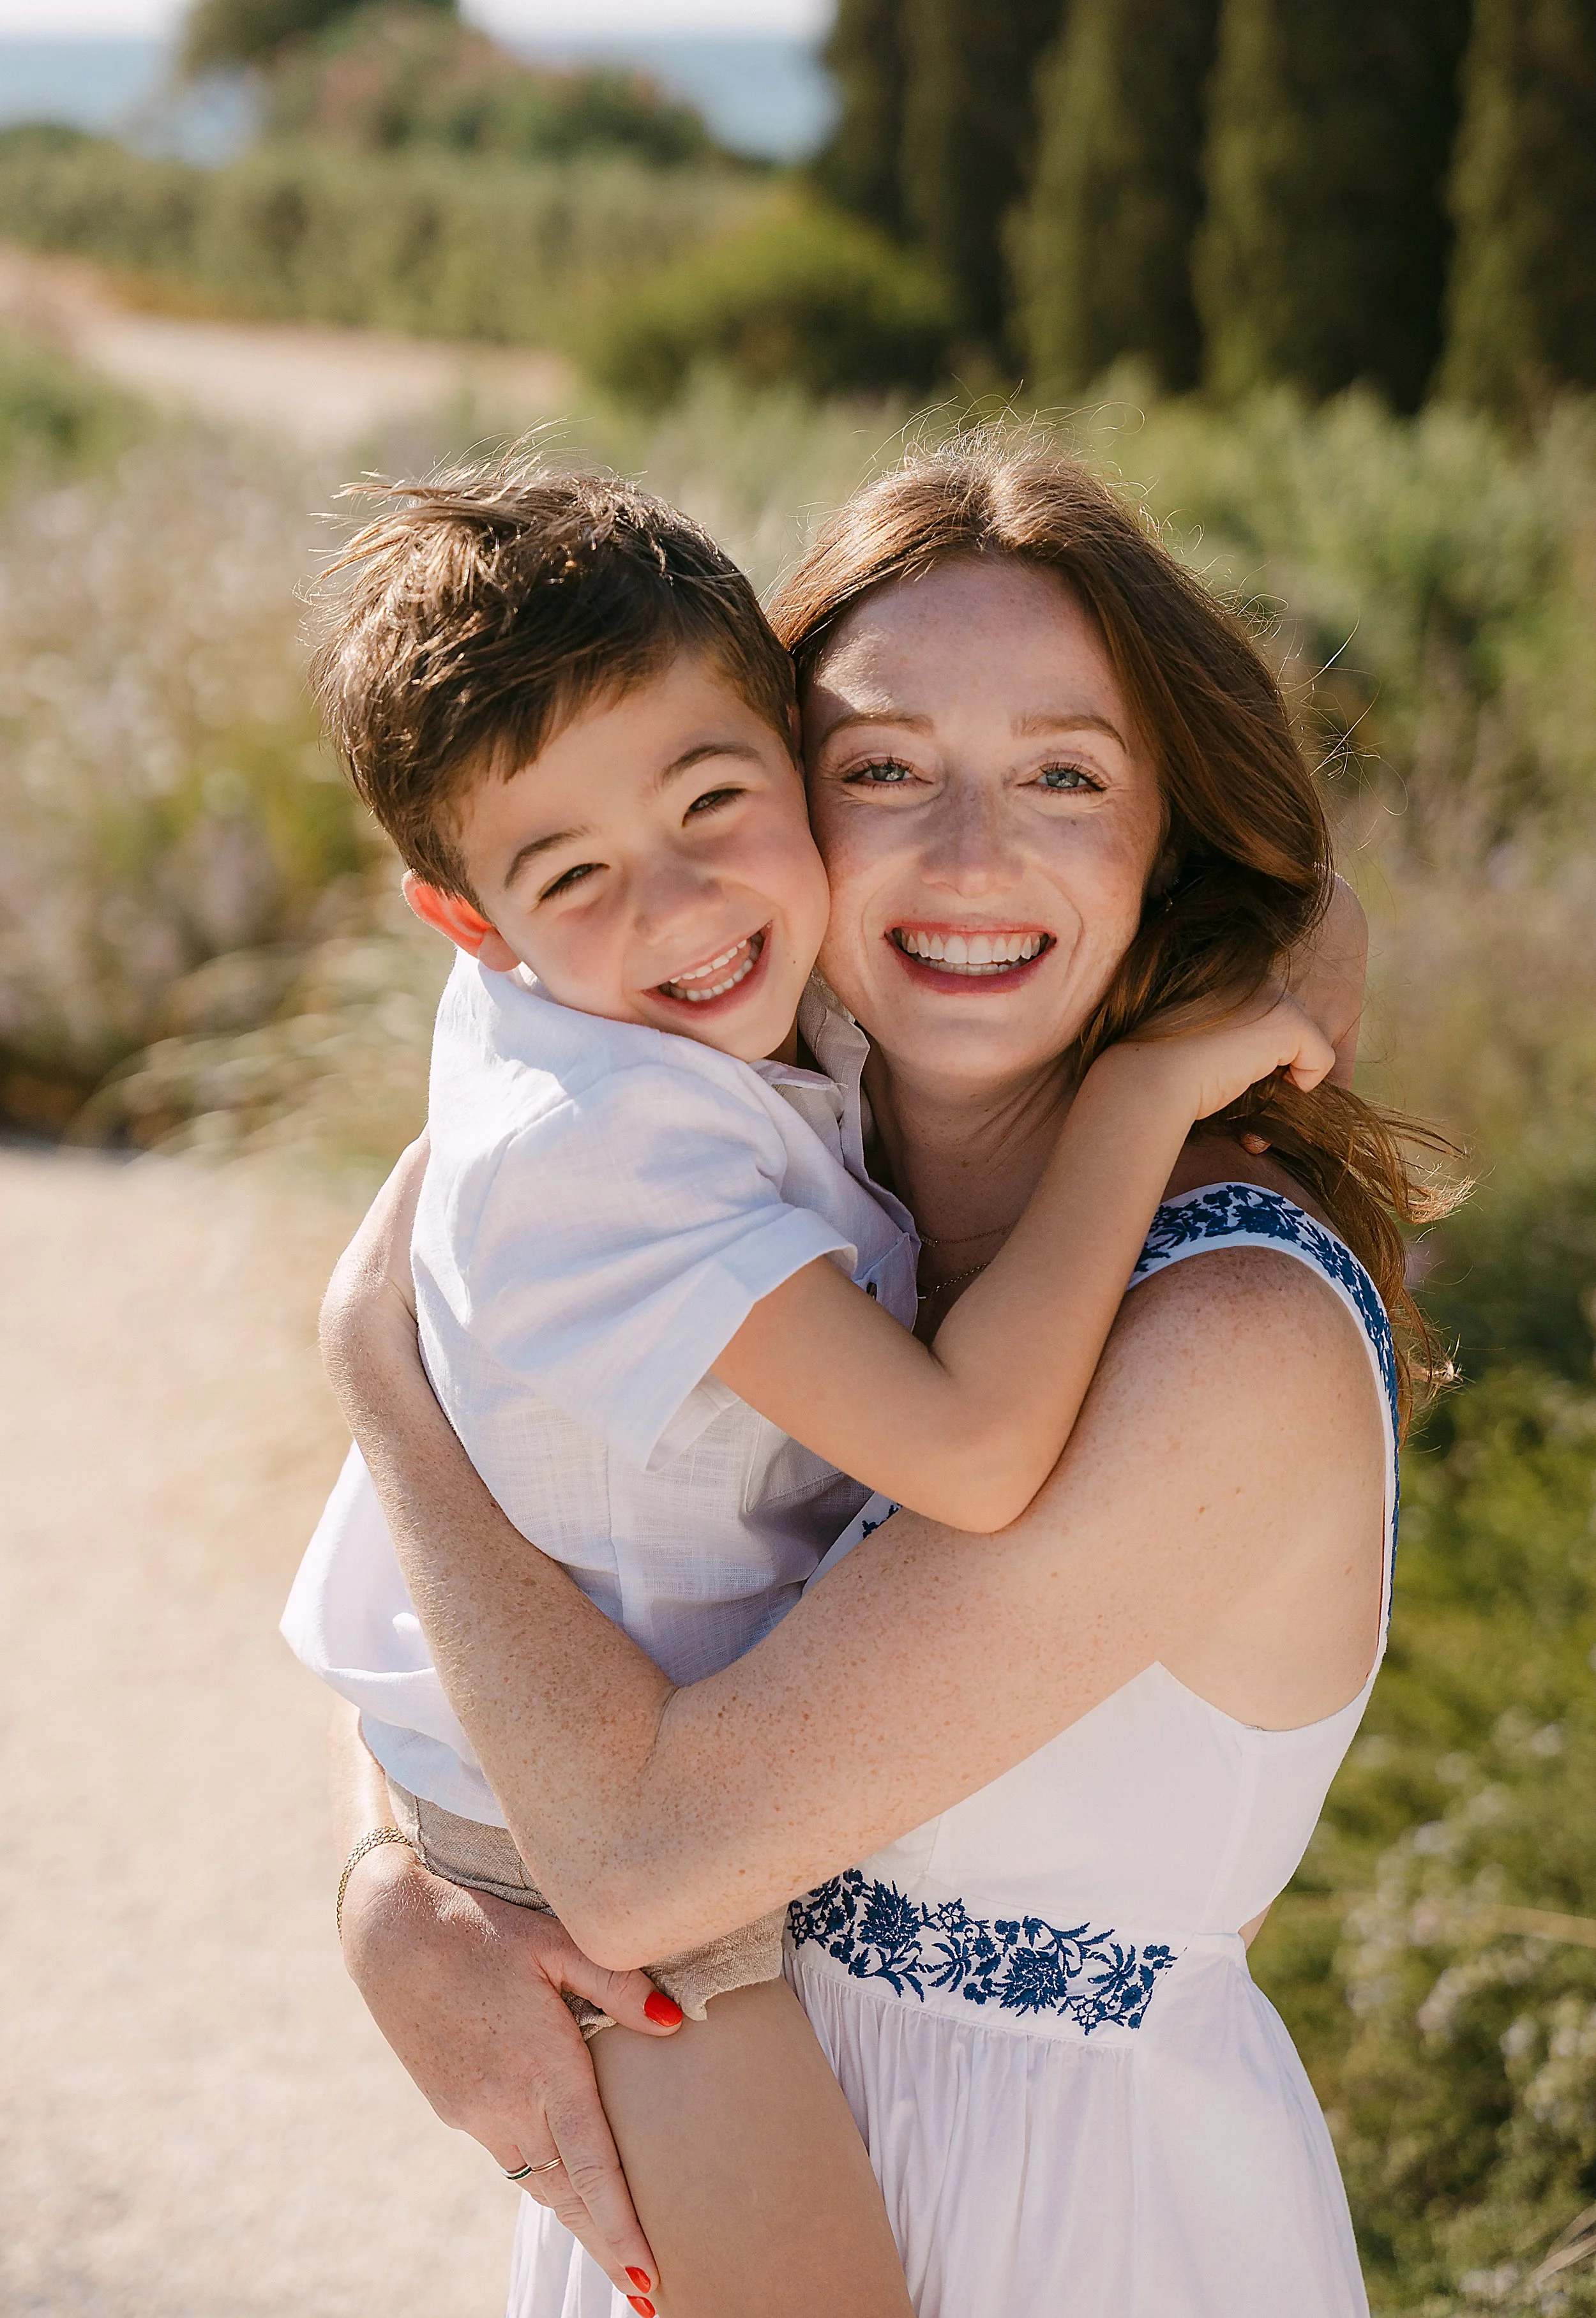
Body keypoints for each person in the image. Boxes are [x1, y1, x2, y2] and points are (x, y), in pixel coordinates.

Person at [319, 436, 1442, 2317]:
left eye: (1065, 778)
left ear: (1166, 832)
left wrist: (367, 1358)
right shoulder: (738, 1161)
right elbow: (450, 1611)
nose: (969, 855)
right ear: (787, 791)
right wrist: (384, 1891)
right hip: (711, 2173)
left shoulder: (1225, 1334)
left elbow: (648, 1860)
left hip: (1080, 2232)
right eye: (886, 768)